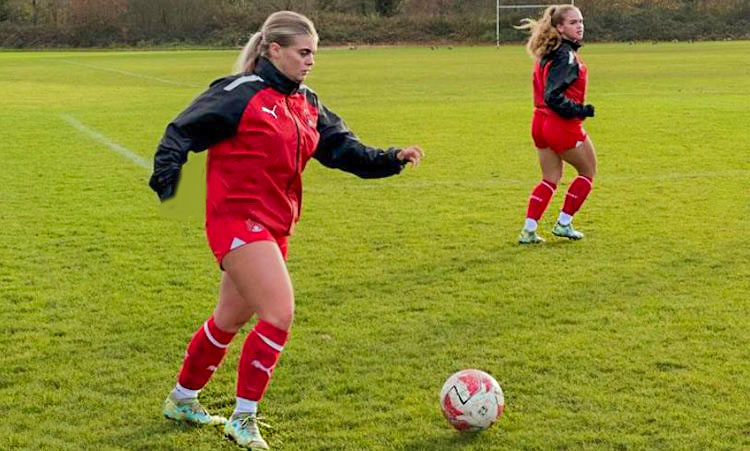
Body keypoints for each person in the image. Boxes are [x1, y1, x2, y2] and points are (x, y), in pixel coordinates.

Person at [148, 11, 424, 450]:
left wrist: (390, 159)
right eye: (304, 52)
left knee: (229, 319)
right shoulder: (238, 93)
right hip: (237, 218)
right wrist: (168, 181)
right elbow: (181, 131)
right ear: (273, 50)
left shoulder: (307, 102)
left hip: (276, 225)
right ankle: (244, 418)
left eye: (314, 52)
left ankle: (182, 399)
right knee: (279, 313)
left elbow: (342, 149)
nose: (311, 60)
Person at [515, 4, 597, 244]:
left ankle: (528, 230)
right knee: (588, 171)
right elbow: (554, 96)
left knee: (550, 178)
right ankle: (564, 223)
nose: (580, 26)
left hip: (539, 122)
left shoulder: (547, 52)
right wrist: (581, 110)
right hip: (560, 124)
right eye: (573, 22)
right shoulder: (566, 55)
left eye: (581, 21)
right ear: (559, 28)